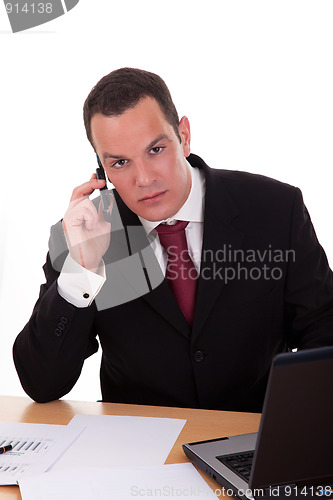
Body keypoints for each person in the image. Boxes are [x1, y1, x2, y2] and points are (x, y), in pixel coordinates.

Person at [13, 67, 333, 412]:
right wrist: (83, 269)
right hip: (138, 452)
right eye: (120, 162)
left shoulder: (274, 209)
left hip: (254, 439)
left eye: (156, 150)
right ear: (101, 171)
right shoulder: (83, 235)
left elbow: (323, 329)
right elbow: (42, 383)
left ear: (184, 135)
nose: (144, 178)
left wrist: (297, 420)